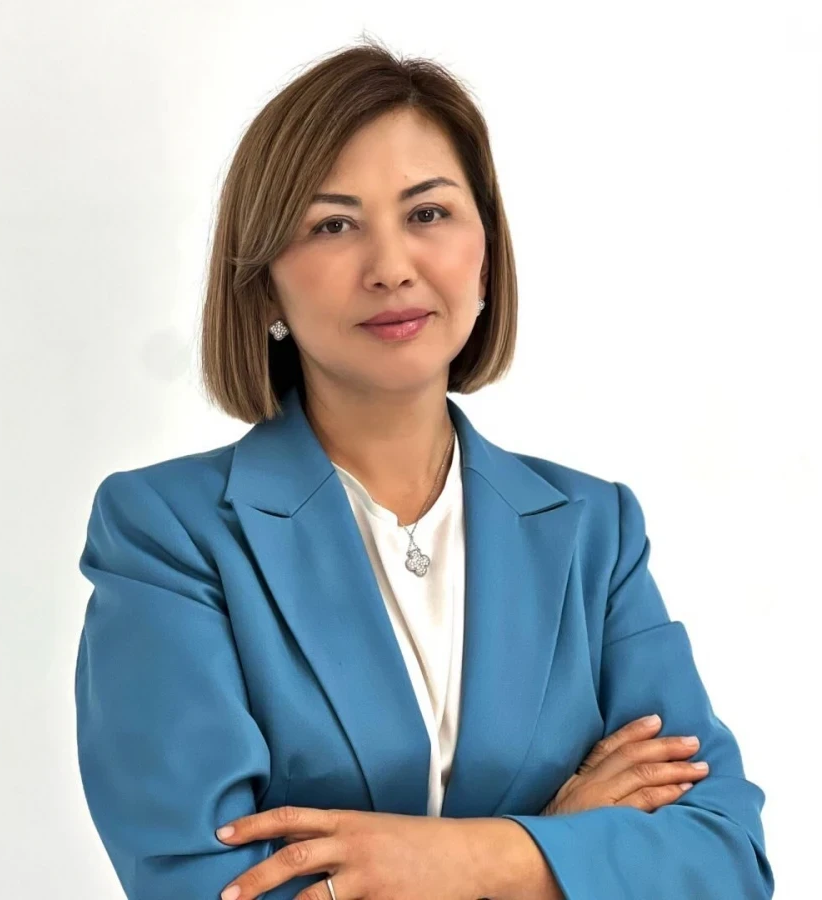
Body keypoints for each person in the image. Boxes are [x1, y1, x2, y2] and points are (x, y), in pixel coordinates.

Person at [74, 37, 774, 900]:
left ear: (487, 251)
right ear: (265, 287)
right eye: (333, 225)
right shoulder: (168, 533)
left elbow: (723, 862)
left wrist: (464, 858)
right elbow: (209, 886)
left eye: (429, 213)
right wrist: (563, 845)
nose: (392, 268)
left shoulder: (594, 532)